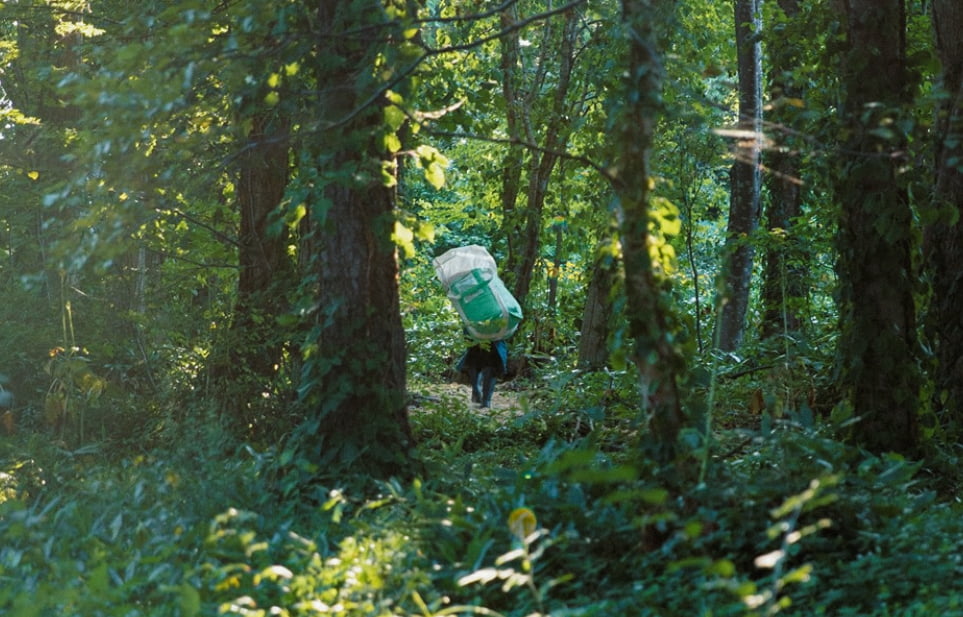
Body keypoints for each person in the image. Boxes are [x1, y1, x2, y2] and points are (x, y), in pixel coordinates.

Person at [457, 338, 508, 409]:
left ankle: (482, 397)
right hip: (488, 342)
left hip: (484, 342)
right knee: (484, 366)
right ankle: (483, 398)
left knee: (485, 367)